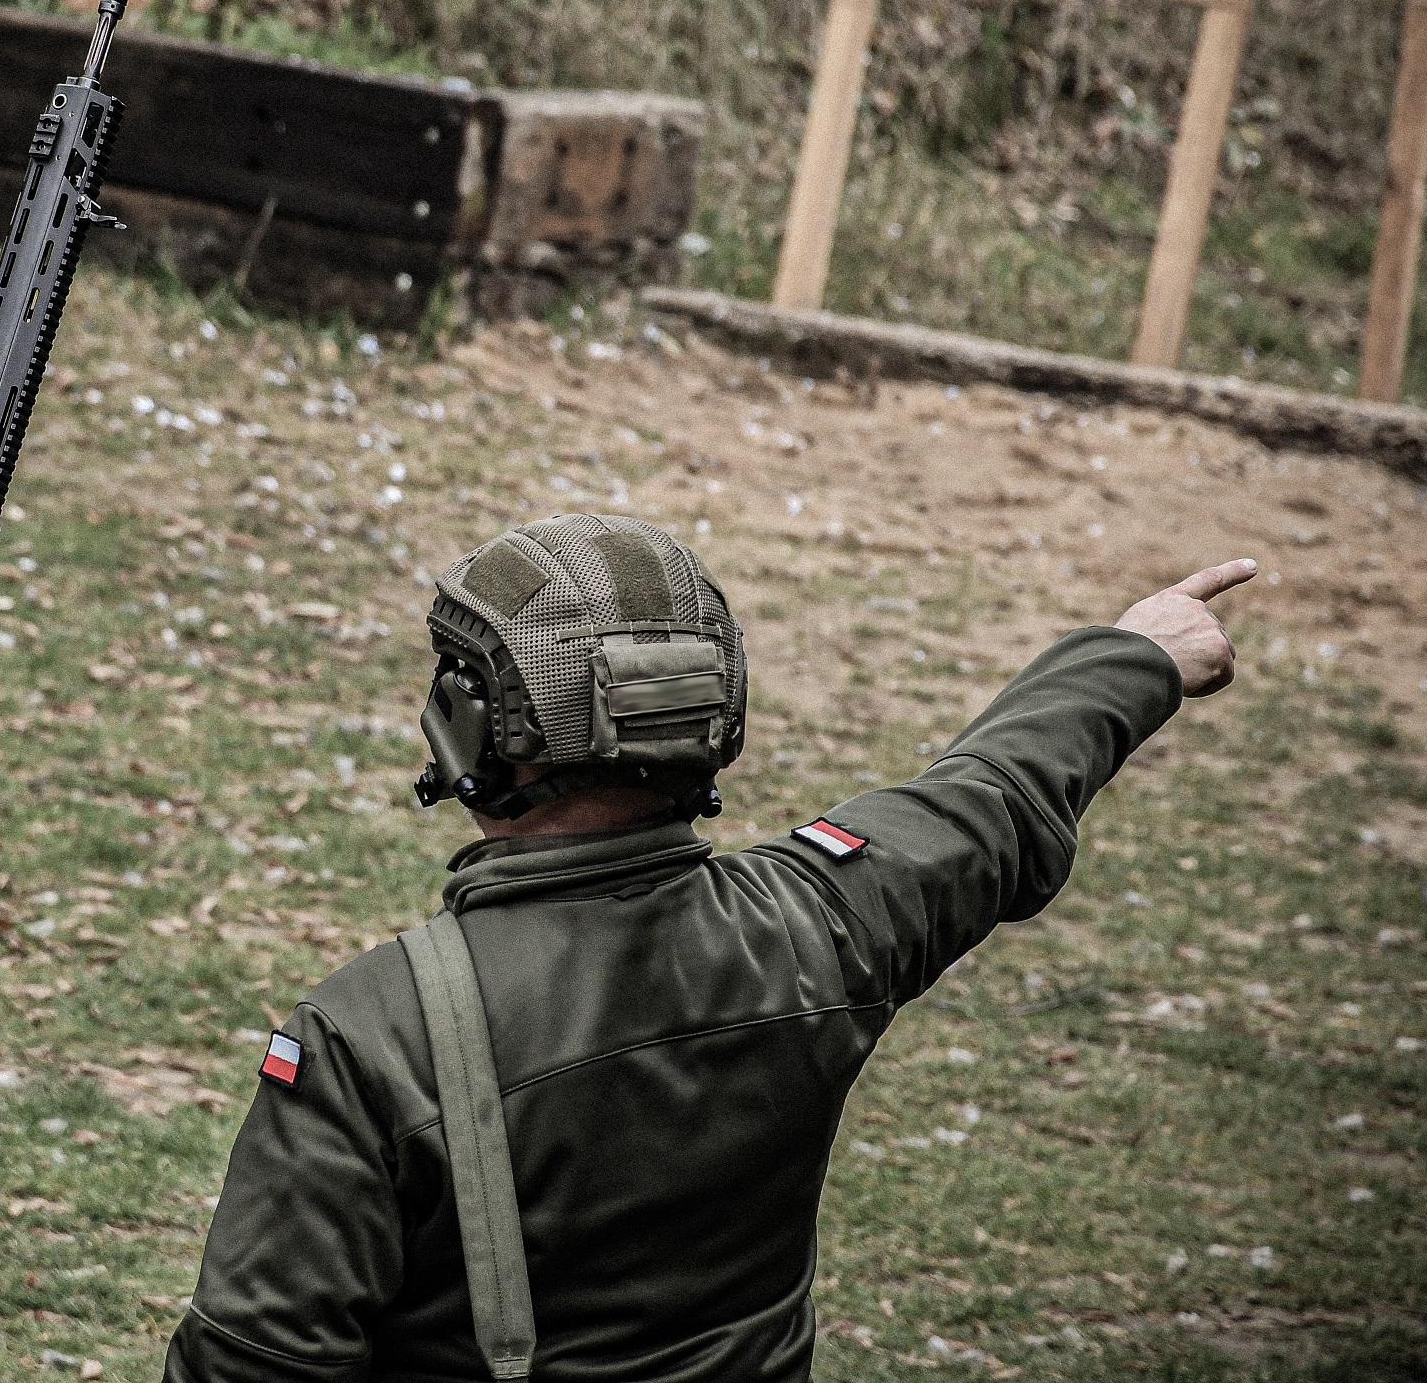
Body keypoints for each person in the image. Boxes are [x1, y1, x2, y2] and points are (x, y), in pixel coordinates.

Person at [163, 513, 1251, 1383]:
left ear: (471, 727)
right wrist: (1135, 655)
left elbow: (256, 1360)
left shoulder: (368, 1034)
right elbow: (993, 799)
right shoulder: (821, 925)